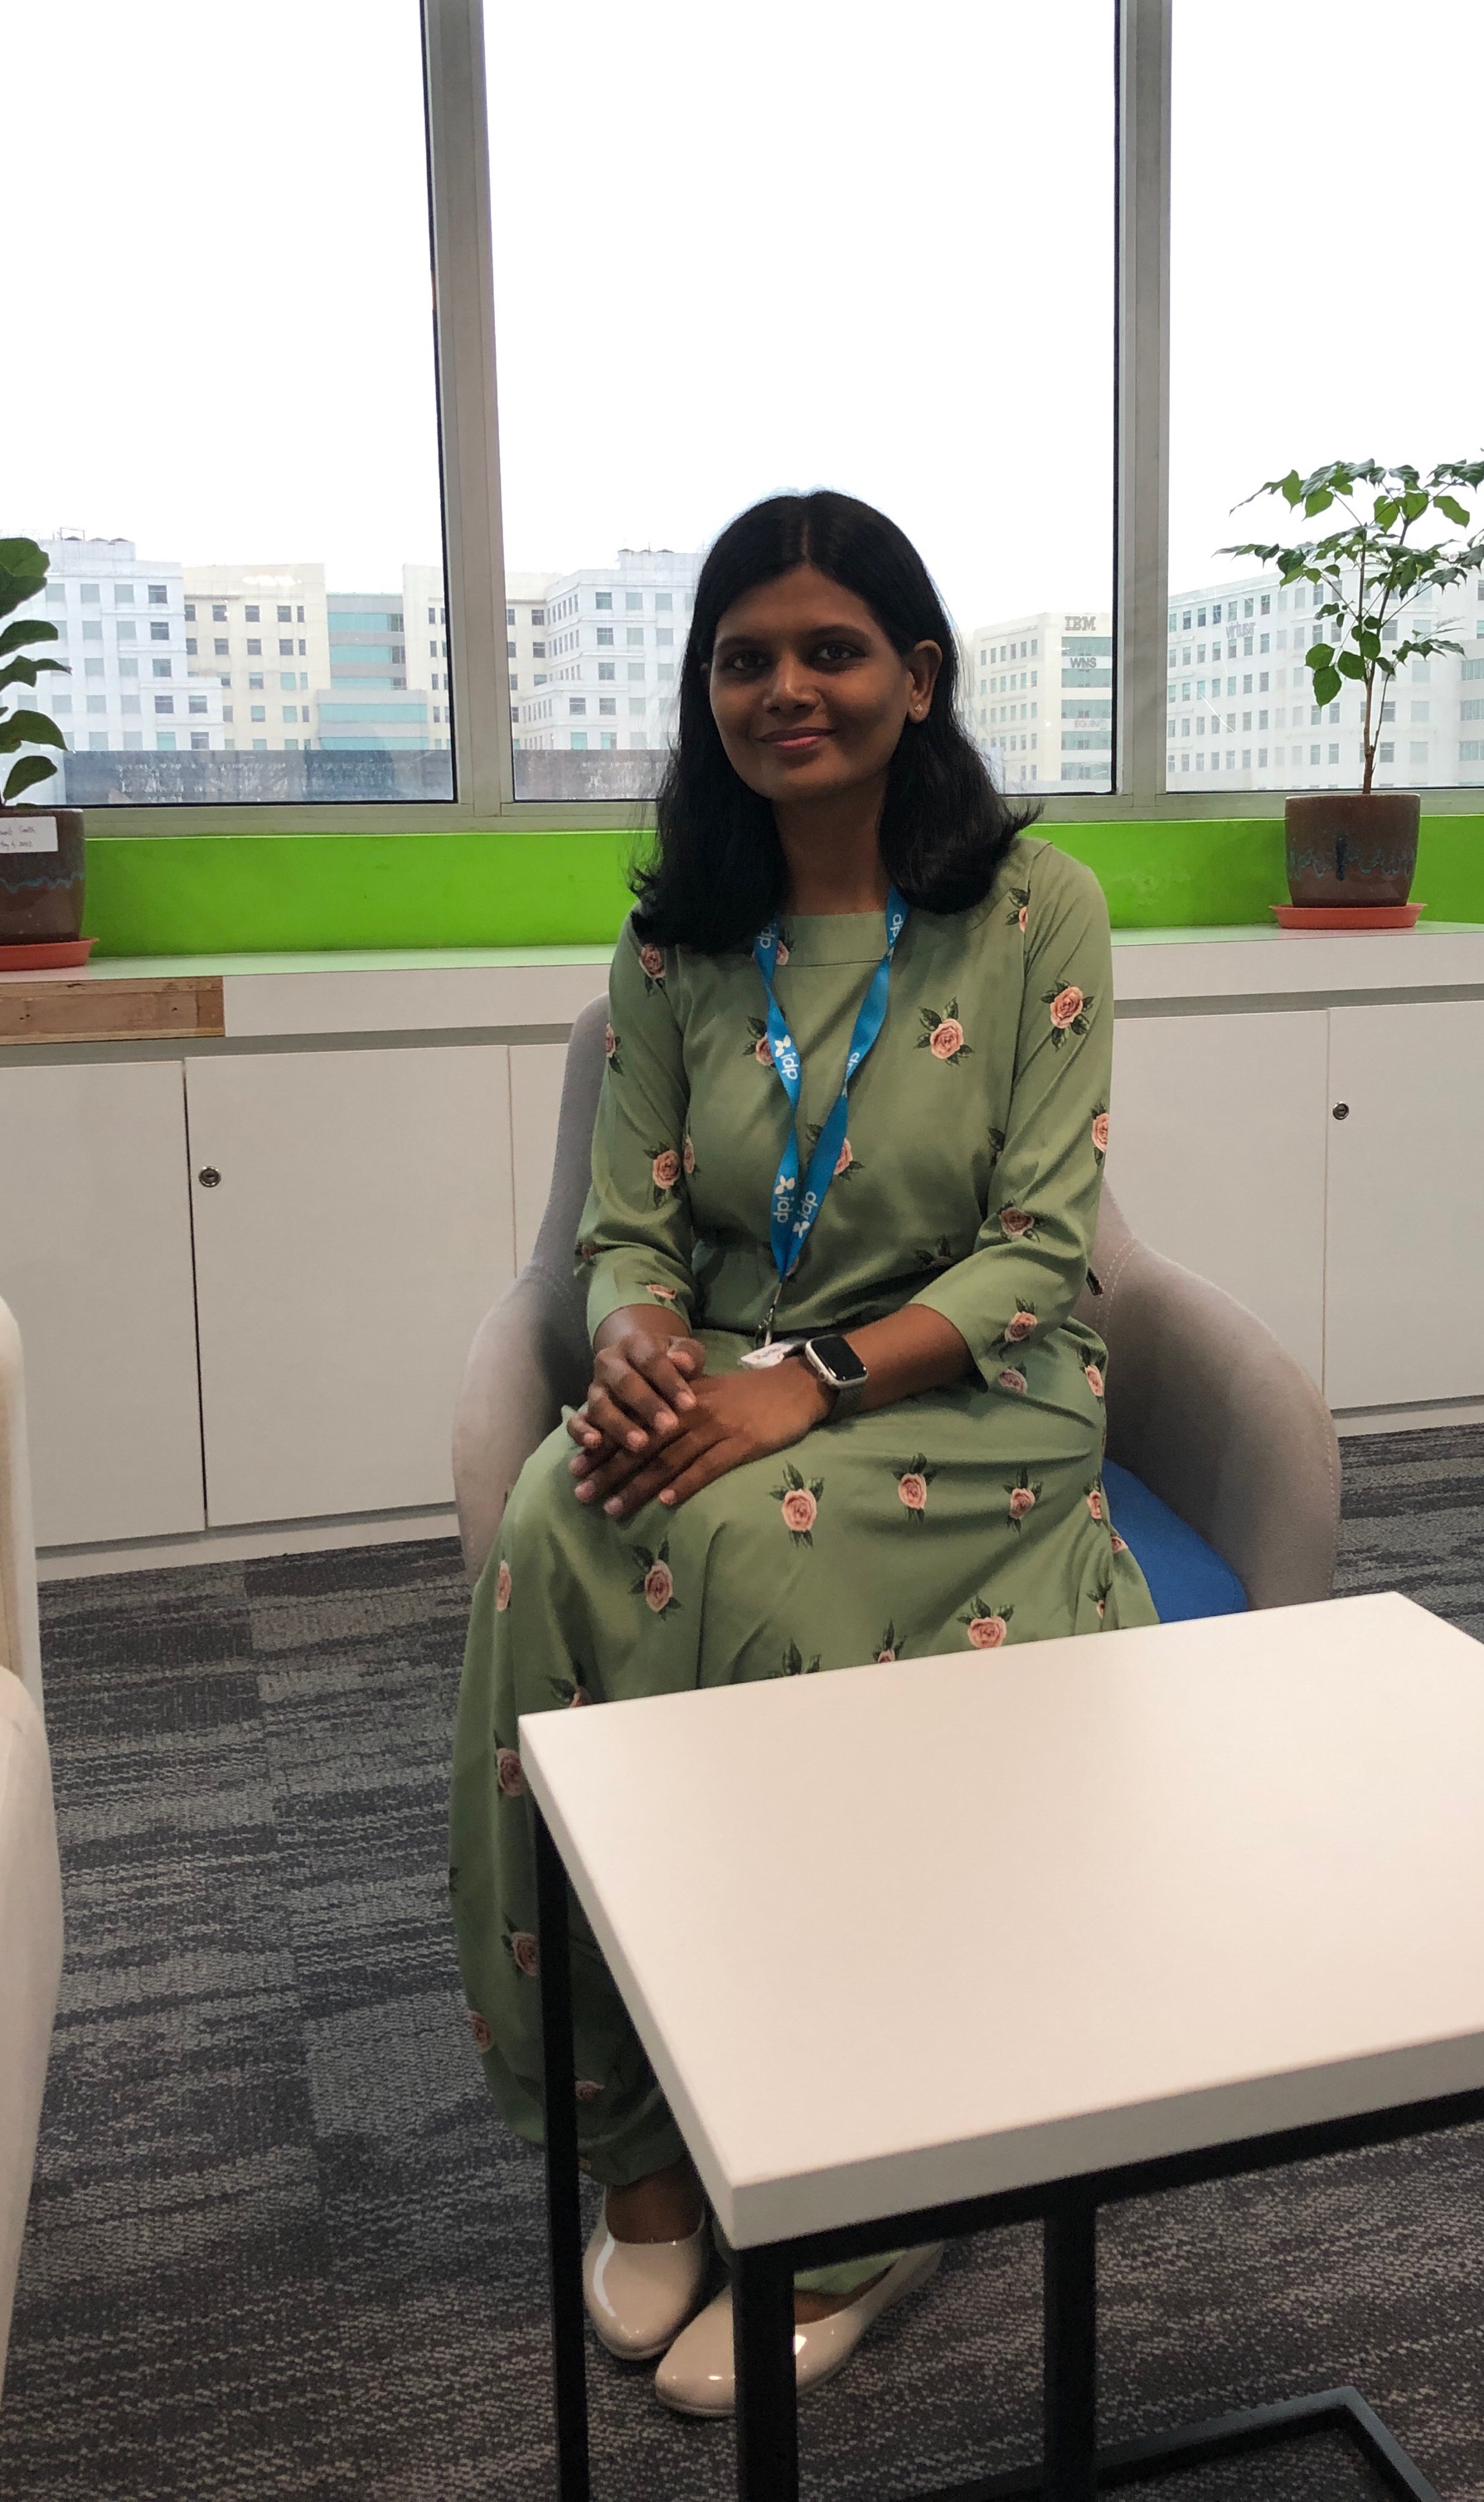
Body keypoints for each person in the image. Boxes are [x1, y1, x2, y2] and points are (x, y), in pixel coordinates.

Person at [449, 489, 1153, 2417]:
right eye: (745, 658)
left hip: (968, 1392)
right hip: (737, 1375)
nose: (788, 690)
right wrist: (641, 1351)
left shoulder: (1037, 910)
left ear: (917, 678)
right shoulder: (677, 938)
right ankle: (641, 2144)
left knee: (746, 1557)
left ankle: (866, 2182)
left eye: (832, 651)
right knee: (556, 1520)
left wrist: (808, 1383)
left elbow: (1041, 1249)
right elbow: (625, 1231)